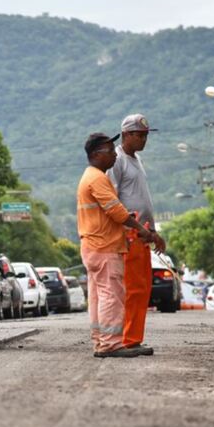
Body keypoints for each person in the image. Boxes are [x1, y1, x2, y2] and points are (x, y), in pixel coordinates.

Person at [76, 132, 157, 359]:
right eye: (110, 151)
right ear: (96, 155)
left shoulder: (90, 176)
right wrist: (140, 228)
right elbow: (115, 210)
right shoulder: (97, 178)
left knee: (99, 296)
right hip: (104, 247)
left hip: (94, 245)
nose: (114, 154)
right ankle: (111, 344)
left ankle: (101, 342)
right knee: (112, 295)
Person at [108, 113, 166, 355]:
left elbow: (141, 199)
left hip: (143, 235)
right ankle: (125, 339)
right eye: (138, 135)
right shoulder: (117, 160)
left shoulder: (137, 160)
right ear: (125, 135)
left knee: (142, 288)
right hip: (128, 235)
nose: (143, 140)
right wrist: (133, 229)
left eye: (145, 135)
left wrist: (152, 232)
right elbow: (112, 200)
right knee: (130, 288)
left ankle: (133, 338)